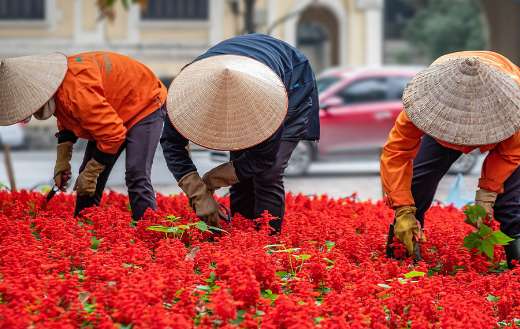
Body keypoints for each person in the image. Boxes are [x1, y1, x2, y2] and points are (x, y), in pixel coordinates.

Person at [161, 34, 319, 233]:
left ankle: (267, 245)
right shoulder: (184, 94)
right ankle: (240, 238)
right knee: (242, 177)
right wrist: (199, 194)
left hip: (292, 78)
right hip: (244, 64)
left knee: (267, 175)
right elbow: (171, 143)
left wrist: (212, 179)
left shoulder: (266, 99)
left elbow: (264, 158)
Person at [380, 51, 520, 267]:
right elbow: (396, 153)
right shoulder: (424, 103)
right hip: (441, 134)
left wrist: (487, 193)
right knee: (416, 184)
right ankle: (403, 252)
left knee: (508, 203)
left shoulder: (513, 104)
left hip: (503, 130)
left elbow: (510, 154)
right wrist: (402, 209)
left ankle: (516, 266)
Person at [0, 52, 167, 220]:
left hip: (145, 103)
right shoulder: (60, 89)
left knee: (136, 174)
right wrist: (62, 162)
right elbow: (67, 120)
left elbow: (113, 135)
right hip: (112, 113)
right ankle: (84, 227)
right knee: (85, 176)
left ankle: (148, 232)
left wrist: (91, 173)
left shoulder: (77, 92)